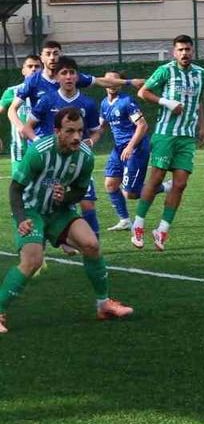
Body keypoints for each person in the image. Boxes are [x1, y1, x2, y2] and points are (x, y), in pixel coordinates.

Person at [0, 107, 133, 335]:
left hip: (59, 211)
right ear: (57, 131)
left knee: (91, 245)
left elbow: (80, 191)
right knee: (33, 260)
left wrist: (66, 197)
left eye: (80, 131)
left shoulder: (85, 156)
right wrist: (21, 219)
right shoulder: (39, 152)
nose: (76, 137)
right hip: (31, 209)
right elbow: (15, 189)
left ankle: (104, 304)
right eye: (70, 131)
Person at [132, 35, 204, 251]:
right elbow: (143, 91)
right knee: (155, 179)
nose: (184, 53)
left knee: (181, 183)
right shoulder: (166, 71)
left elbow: (199, 101)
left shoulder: (201, 73)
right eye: (180, 50)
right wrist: (166, 102)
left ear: (192, 51)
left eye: (188, 49)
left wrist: (202, 127)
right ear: (174, 52)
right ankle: (138, 224)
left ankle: (162, 230)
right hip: (166, 134)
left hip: (186, 137)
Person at [23, 57, 105, 238]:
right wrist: (38, 143)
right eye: (64, 73)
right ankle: (42, 242)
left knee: (87, 202)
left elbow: (97, 131)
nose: (68, 77)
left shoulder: (88, 103)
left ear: (77, 76)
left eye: (72, 72)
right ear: (57, 77)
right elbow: (27, 127)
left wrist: (91, 141)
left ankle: (94, 243)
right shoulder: (47, 101)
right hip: (51, 163)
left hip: (77, 160)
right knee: (48, 202)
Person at [7, 40, 133, 135]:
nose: (52, 57)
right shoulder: (32, 81)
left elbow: (101, 81)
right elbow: (12, 109)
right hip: (43, 139)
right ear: (42, 57)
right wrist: (21, 128)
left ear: (60, 55)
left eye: (55, 53)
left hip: (69, 139)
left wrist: (129, 82)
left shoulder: (70, 76)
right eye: (48, 54)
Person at [99, 71, 151, 232]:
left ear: (120, 83)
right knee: (110, 184)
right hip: (119, 148)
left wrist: (130, 147)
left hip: (136, 148)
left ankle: (164, 187)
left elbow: (142, 126)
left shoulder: (127, 101)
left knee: (131, 194)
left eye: (116, 80)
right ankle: (125, 220)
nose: (112, 83)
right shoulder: (104, 103)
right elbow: (101, 125)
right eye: (109, 80)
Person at [1, 55, 43, 171]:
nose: (33, 69)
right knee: (19, 184)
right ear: (23, 70)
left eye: (37, 66)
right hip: (20, 146)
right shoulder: (11, 91)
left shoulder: (48, 92)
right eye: (30, 66)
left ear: (42, 70)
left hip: (41, 143)